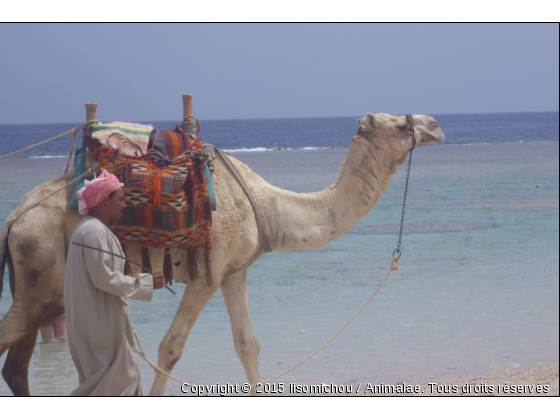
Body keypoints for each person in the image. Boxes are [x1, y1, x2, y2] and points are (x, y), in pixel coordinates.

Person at [64, 170, 165, 396]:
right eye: (120, 199)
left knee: (117, 383)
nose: (124, 205)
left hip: (99, 321)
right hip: (100, 325)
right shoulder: (93, 232)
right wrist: (146, 283)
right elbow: (104, 278)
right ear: (105, 200)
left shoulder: (92, 229)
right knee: (116, 385)